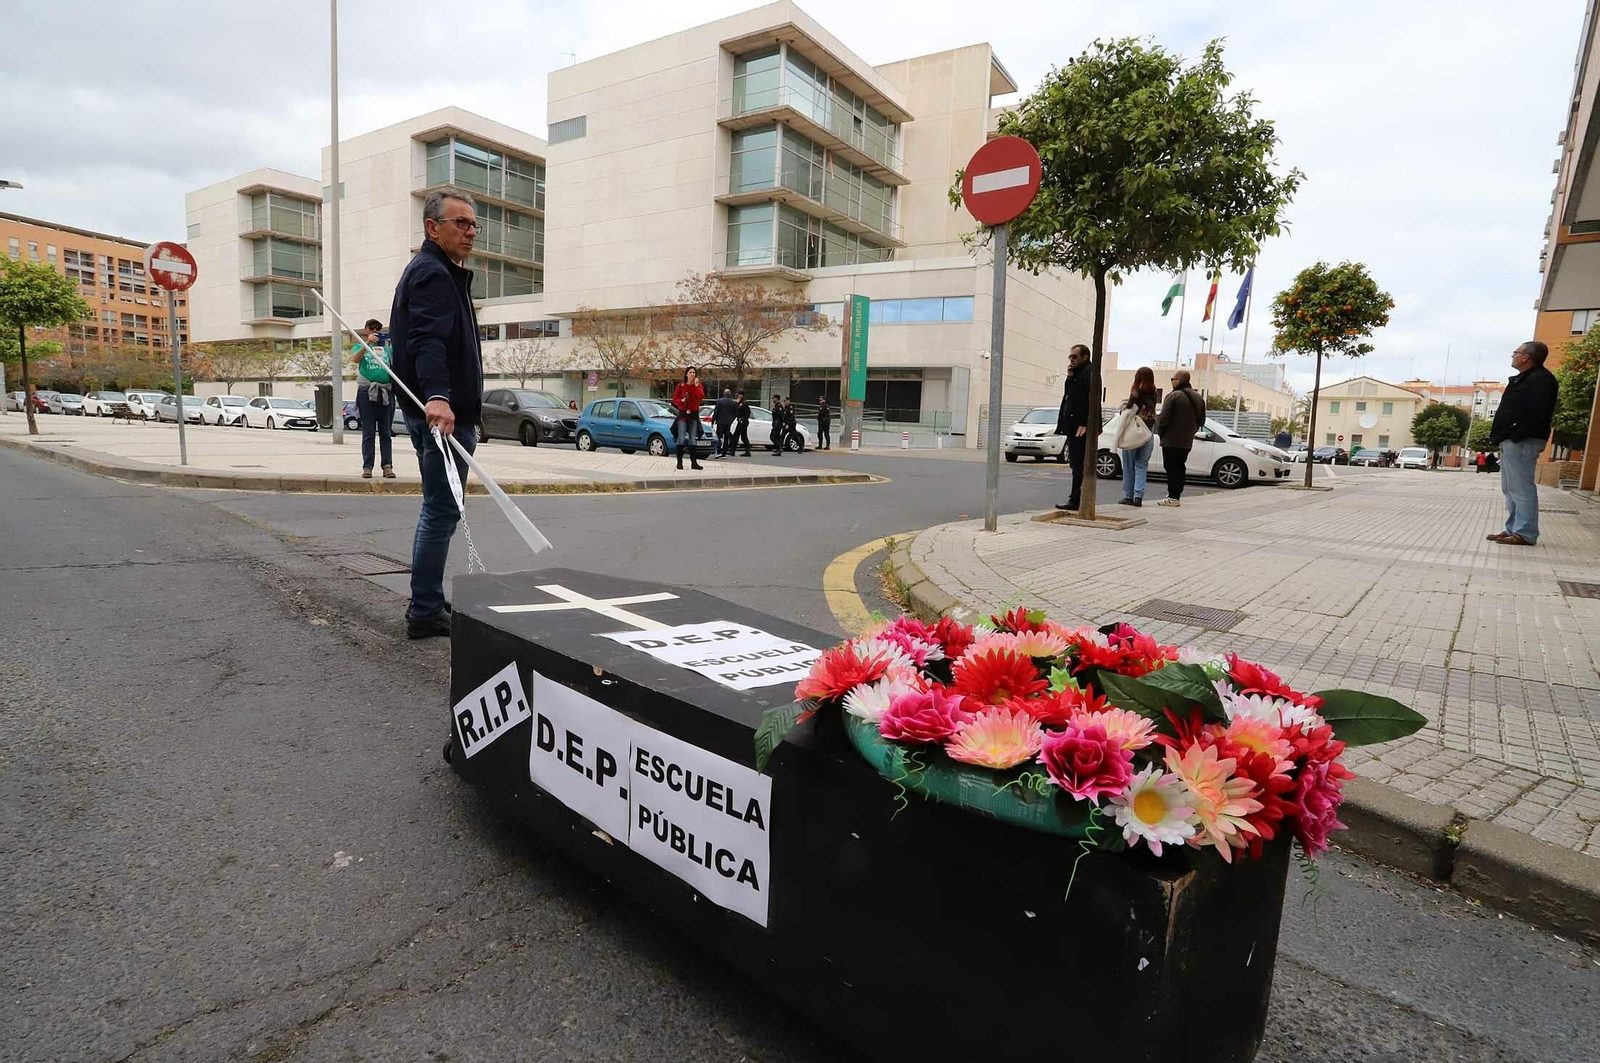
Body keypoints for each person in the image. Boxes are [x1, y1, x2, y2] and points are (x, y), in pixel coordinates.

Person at [390, 189, 484, 640]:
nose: (470, 231)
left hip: (441, 411)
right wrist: (440, 398)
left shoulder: (443, 272)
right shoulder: (432, 274)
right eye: (460, 223)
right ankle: (425, 610)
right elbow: (426, 340)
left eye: (472, 224)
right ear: (433, 227)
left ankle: (426, 599)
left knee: (439, 508)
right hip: (442, 415)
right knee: (442, 510)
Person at [1488, 340, 1560, 547]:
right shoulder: (1525, 378)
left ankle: (1525, 533)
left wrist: (1517, 433)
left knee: (1521, 486)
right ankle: (1513, 529)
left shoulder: (1541, 380)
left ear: (1527, 357)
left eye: (1516, 352)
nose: (1513, 355)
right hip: (1512, 439)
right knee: (1510, 488)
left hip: (1523, 440)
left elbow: (1537, 411)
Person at [350, 317, 395, 480]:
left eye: (378, 329)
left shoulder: (388, 350)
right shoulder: (360, 346)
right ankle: (367, 466)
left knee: (385, 432)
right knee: (368, 432)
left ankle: (387, 465)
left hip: (385, 393)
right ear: (366, 330)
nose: (375, 332)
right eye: (372, 329)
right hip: (366, 393)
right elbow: (355, 359)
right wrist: (367, 344)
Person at [1155, 369, 1206, 507]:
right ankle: (1176, 494)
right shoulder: (1198, 397)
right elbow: (1201, 421)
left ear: (1178, 380)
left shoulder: (1173, 396)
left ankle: (1173, 496)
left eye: (1173, 379)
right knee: (1180, 466)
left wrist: (1161, 432)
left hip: (1171, 440)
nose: (1172, 382)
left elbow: (1164, 418)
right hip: (1186, 440)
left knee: (1171, 467)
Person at [1053, 344, 1091, 511]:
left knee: (1078, 464)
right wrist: (1069, 376)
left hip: (1079, 426)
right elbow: (1069, 396)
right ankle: (1076, 498)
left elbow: (1087, 398)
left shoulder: (1088, 373)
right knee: (1075, 464)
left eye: (1075, 357)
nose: (1071, 360)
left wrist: (1084, 422)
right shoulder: (1076, 375)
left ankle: (1076, 500)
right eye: (1070, 357)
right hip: (1073, 425)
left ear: (1085, 357)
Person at [1117, 366, 1158, 507]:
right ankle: (1138, 497)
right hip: (1147, 434)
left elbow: (1128, 410)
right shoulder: (1153, 393)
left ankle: (1128, 496)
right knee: (1141, 466)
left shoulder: (1135, 392)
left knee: (1128, 466)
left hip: (1133, 434)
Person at [670, 366, 705, 471]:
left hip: (693, 414)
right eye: (690, 372)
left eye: (694, 372)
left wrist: (697, 386)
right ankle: (679, 462)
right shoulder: (680, 386)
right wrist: (682, 400)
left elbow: (700, 396)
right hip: (683, 414)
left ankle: (694, 463)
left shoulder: (697, 385)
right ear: (686, 374)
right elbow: (675, 399)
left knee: (692, 439)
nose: (692, 374)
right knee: (681, 438)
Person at [712, 387, 738, 458]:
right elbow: (735, 413)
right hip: (728, 422)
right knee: (726, 437)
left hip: (720, 421)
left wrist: (713, 420)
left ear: (724, 394)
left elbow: (716, 411)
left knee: (719, 436)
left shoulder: (720, 401)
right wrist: (731, 420)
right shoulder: (733, 402)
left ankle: (718, 451)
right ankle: (724, 453)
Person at [734, 391, 752, 456]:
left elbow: (738, 409)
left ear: (741, 396)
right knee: (743, 437)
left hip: (742, 421)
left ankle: (733, 451)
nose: (738, 396)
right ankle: (747, 450)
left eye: (739, 395)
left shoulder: (743, 403)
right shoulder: (743, 403)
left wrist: (737, 403)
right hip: (742, 421)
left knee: (736, 435)